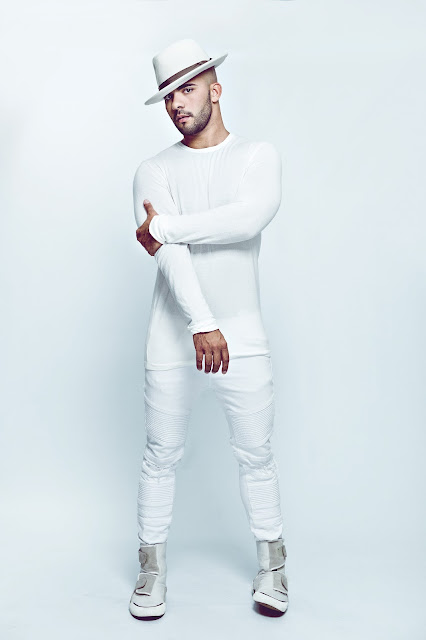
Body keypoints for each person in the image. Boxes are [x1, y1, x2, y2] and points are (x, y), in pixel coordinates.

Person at [129, 38, 289, 619]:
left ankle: (273, 565)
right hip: (174, 334)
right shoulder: (153, 169)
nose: (177, 103)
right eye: (169, 95)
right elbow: (169, 257)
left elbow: (248, 219)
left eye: (188, 89)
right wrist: (202, 323)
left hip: (243, 332)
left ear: (215, 90)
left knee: (256, 454)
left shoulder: (257, 156)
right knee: (160, 454)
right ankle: (151, 570)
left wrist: (167, 226)